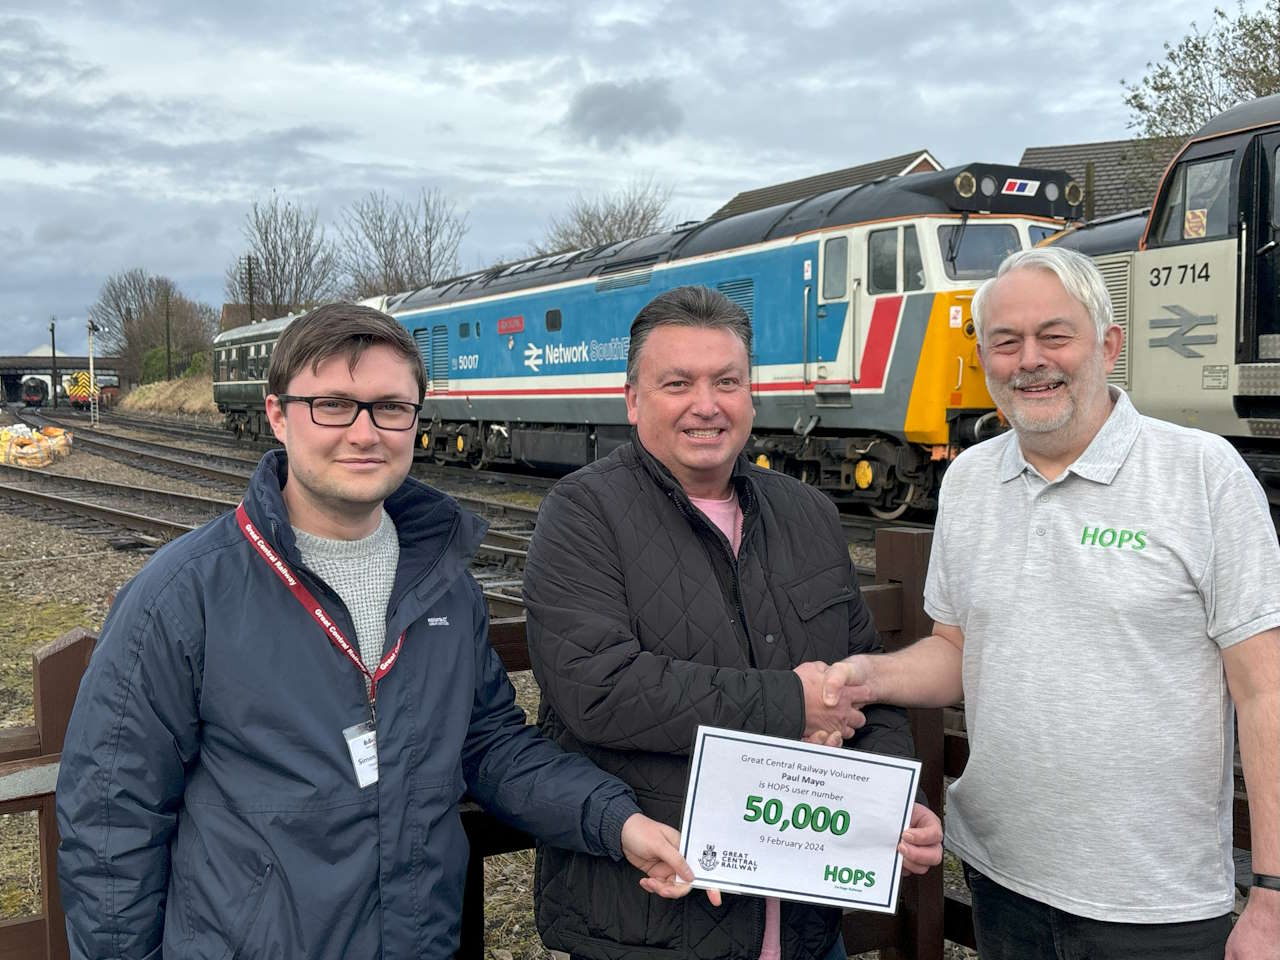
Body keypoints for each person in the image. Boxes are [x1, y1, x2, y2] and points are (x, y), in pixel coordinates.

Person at [55, 304, 703, 960]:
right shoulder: (183, 596)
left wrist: (615, 821)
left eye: (391, 407)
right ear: (278, 415)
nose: (364, 432)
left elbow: (489, 746)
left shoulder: (445, 587)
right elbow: (111, 823)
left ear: (415, 422)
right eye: (333, 404)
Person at [822, 246, 1280, 959]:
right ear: (984, 357)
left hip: (1155, 905)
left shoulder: (1202, 473)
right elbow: (957, 651)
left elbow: (1264, 693)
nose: (1029, 360)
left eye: (1054, 336)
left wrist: (1273, 895)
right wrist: (866, 677)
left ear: (1109, 343)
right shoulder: (970, 481)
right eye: (1005, 342)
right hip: (1003, 881)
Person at [522, 285, 943, 960]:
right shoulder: (582, 514)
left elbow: (862, 676)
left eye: (727, 381)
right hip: (655, 923)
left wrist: (888, 800)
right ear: (632, 400)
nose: (706, 404)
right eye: (677, 383)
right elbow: (598, 689)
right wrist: (791, 704)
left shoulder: (806, 513)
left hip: (806, 920)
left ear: (750, 396)